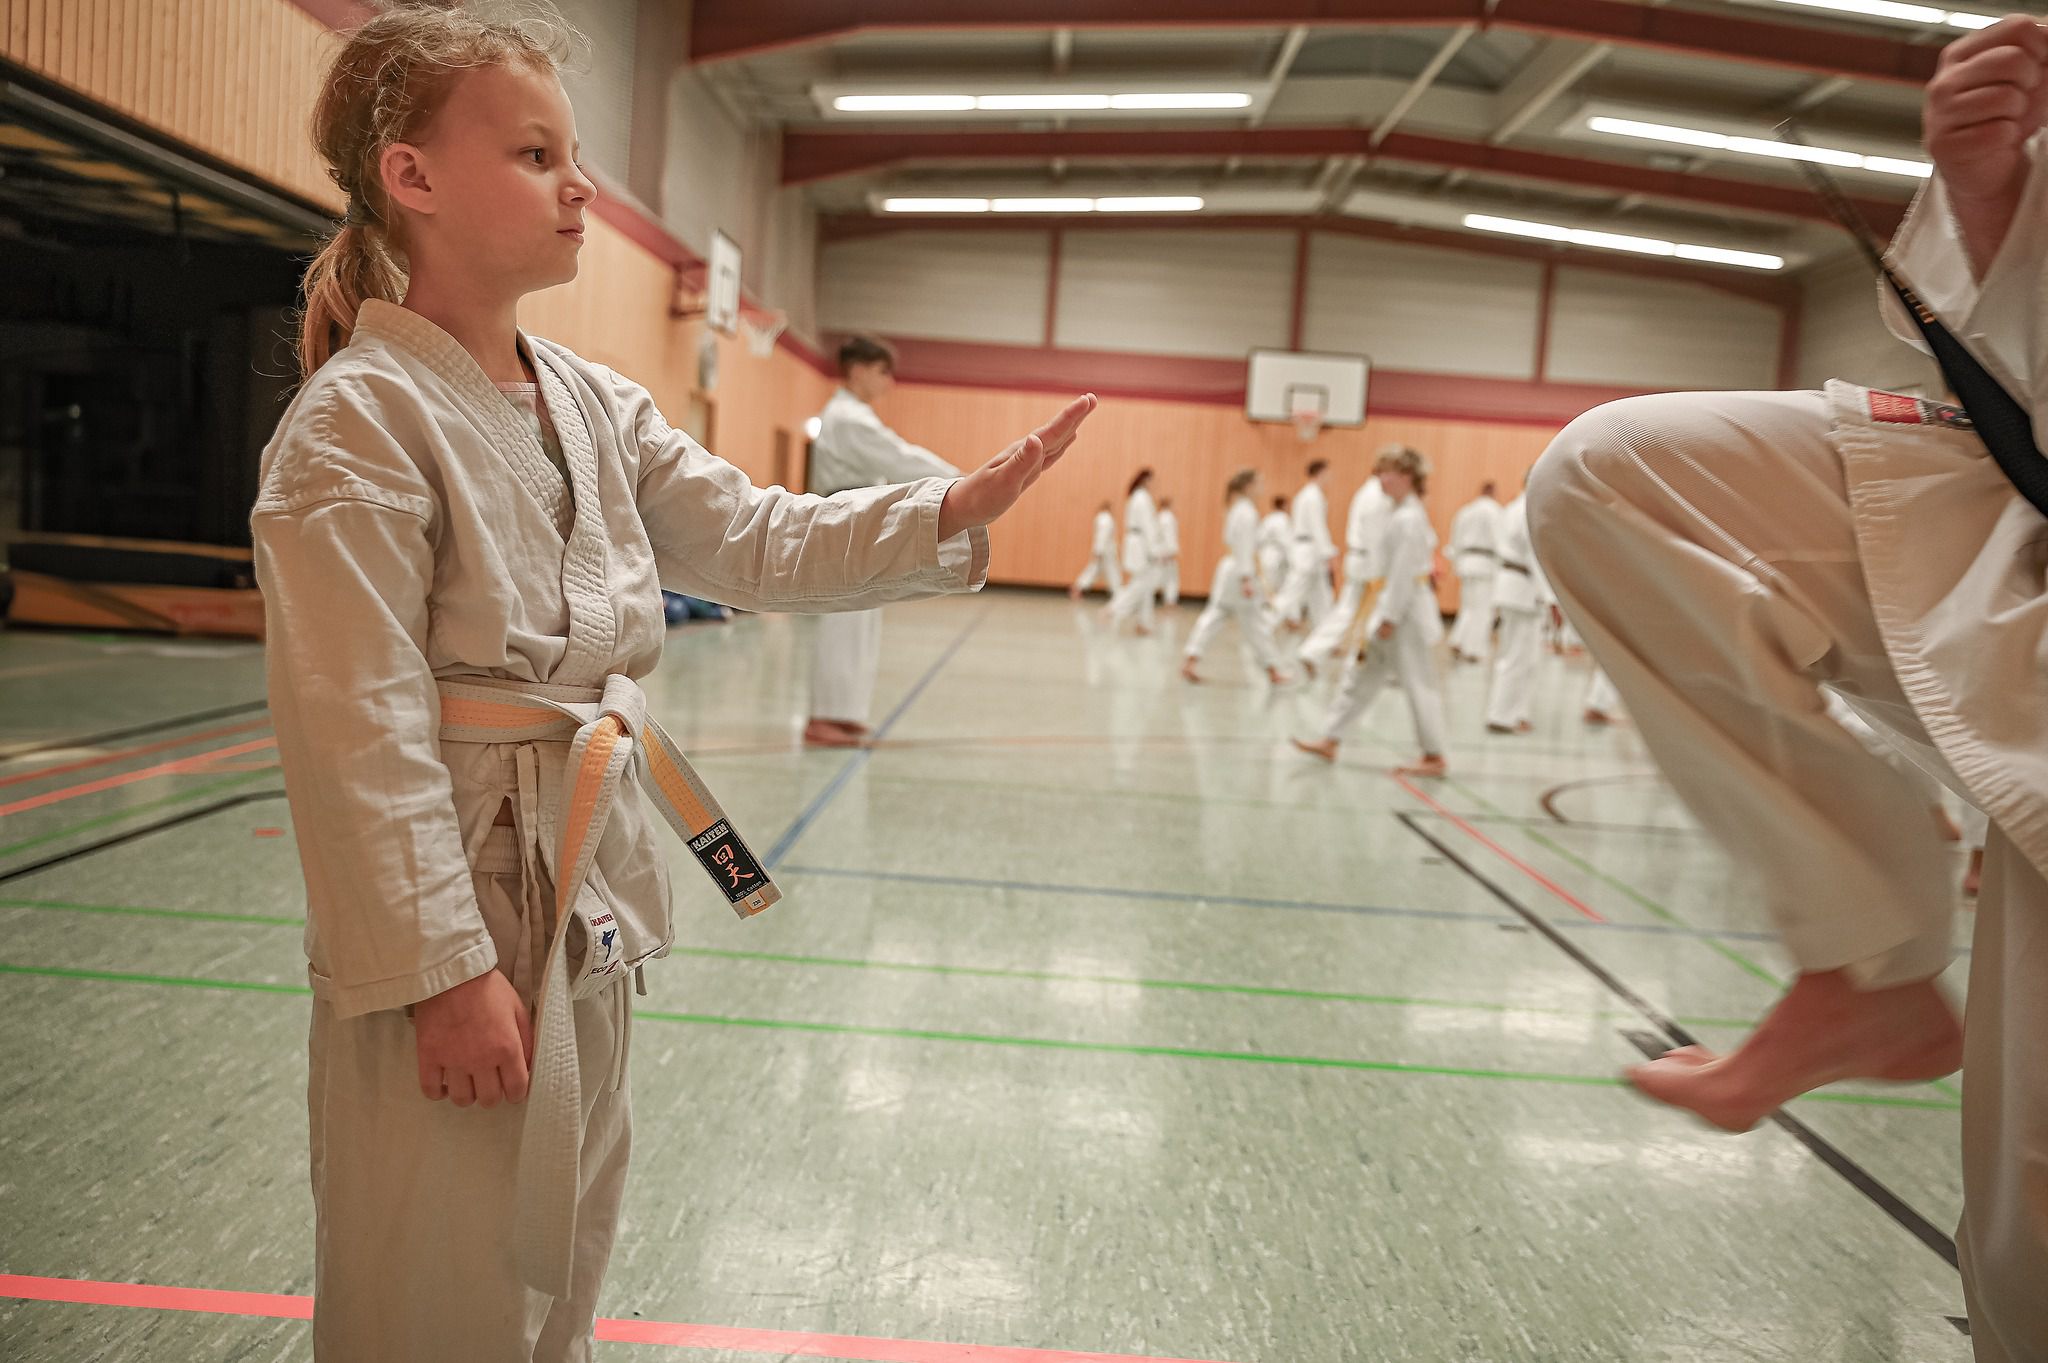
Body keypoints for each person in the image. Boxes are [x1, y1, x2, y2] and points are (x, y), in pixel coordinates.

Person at [251, 8, 1096, 1357]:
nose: (580, 186)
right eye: (536, 155)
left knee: (561, 1246)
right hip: (457, 888)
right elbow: (356, 730)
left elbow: (755, 536)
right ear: (411, 177)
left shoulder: (589, 399)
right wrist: (440, 972)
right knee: (435, 1271)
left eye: (574, 153)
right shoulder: (357, 424)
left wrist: (942, 511)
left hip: (582, 869)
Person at [1527, 17, 2048, 1356]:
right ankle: (1866, 958)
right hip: (2021, 519)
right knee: (1619, 477)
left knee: (2035, 1222)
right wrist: (1993, 203)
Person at [801, 334, 969, 748]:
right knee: (843, 620)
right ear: (857, 370)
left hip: (861, 518)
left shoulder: (854, 415)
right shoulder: (847, 418)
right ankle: (824, 716)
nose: (888, 382)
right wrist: (960, 479)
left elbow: (894, 459)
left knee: (861, 618)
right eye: (881, 371)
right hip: (844, 520)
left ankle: (845, 713)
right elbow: (898, 457)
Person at [1292, 446, 1448, 775]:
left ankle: (1434, 755)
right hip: (1387, 606)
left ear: (1406, 476)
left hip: (1405, 614)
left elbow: (1404, 574)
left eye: (1387, 472)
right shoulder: (1399, 511)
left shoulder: (1409, 518)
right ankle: (1331, 738)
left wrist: (1389, 616)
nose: (1381, 479)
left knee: (1418, 681)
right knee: (1360, 673)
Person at [1182, 468, 1289, 685]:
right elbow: (1244, 547)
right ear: (1248, 486)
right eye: (1259, 483)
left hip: (1232, 568)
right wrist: (1246, 578)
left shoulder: (1238, 509)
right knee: (1254, 623)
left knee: (1217, 615)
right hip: (1240, 571)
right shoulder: (1246, 512)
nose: (1262, 488)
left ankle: (1191, 658)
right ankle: (1273, 669)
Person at [1297, 472, 1391, 679]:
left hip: (1360, 557)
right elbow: (1375, 536)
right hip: (1368, 560)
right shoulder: (1377, 496)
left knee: (1347, 610)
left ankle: (1313, 651)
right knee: (1361, 611)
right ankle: (1359, 659)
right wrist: (1380, 570)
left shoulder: (1367, 492)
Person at [1484, 475, 1549, 736]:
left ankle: (1516, 713)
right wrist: (1549, 596)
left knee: (1523, 657)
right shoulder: (1527, 509)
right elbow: (1535, 555)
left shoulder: (1514, 507)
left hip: (1514, 586)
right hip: (1523, 588)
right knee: (1517, 657)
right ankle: (1501, 715)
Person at [1268, 459, 1335, 631]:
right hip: (1308, 549)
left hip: (1310, 549)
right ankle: (1266, 624)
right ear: (1320, 473)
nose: (1330, 476)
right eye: (1328, 472)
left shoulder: (1309, 494)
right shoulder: (1312, 496)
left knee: (1321, 598)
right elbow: (1317, 526)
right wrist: (1328, 552)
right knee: (1291, 593)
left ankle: (1324, 635)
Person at [1446, 482, 1503, 662]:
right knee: (1483, 609)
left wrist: (1456, 564)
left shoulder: (1466, 511)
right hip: (1485, 564)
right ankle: (1474, 650)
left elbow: (1454, 540)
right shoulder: (1494, 511)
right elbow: (1499, 541)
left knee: (1468, 607)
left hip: (1465, 563)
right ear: (1493, 493)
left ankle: (1458, 640)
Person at [1107, 467, 1160, 635]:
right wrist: (1154, 549)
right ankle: (1114, 608)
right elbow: (1148, 525)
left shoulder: (1136, 497)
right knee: (1141, 584)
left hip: (1136, 541)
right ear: (1145, 480)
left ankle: (1143, 623)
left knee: (1145, 585)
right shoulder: (1142, 498)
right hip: (1141, 543)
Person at [1070, 500, 1121, 599]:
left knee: (1094, 570)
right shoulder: (1106, 519)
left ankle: (1078, 587)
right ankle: (1117, 592)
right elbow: (1103, 535)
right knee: (1112, 571)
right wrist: (1099, 550)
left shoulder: (1100, 518)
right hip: (1106, 551)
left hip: (1102, 549)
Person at [1257, 494, 1292, 596]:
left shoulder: (1267, 519)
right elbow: (1287, 541)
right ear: (1284, 505)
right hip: (1278, 557)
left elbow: (1259, 539)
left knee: (1267, 586)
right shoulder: (1283, 519)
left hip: (1265, 555)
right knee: (1279, 588)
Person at [1153, 496, 1181, 607]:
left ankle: (1168, 600)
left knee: (1161, 576)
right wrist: (1170, 552)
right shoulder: (1168, 518)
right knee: (1169, 578)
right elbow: (1169, 536)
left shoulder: (1159, 517)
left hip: (1160, 551)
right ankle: (1170, 601)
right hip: (1166, 552)